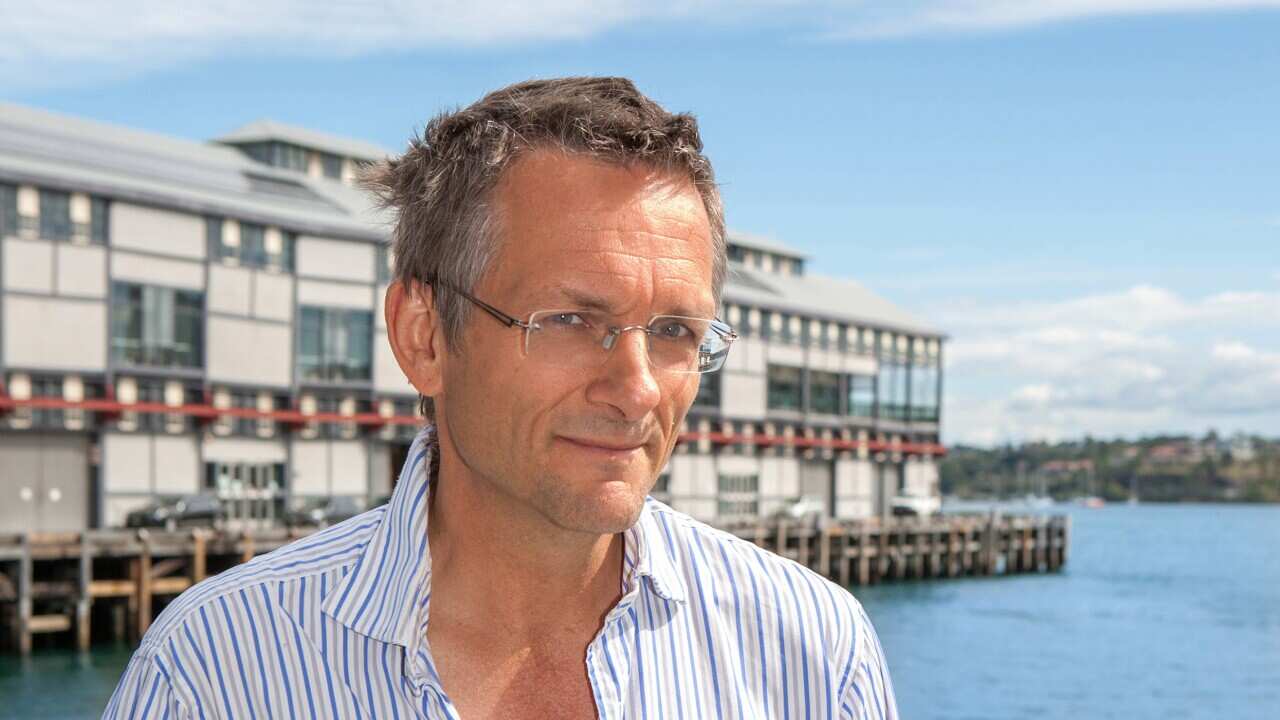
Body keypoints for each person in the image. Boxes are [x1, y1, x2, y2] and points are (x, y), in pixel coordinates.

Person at [104, 77, 897, 720]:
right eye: (569, 320)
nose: (637, 390)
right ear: (423, 337)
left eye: (675, 331)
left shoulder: (813, 655)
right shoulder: (216, 675)